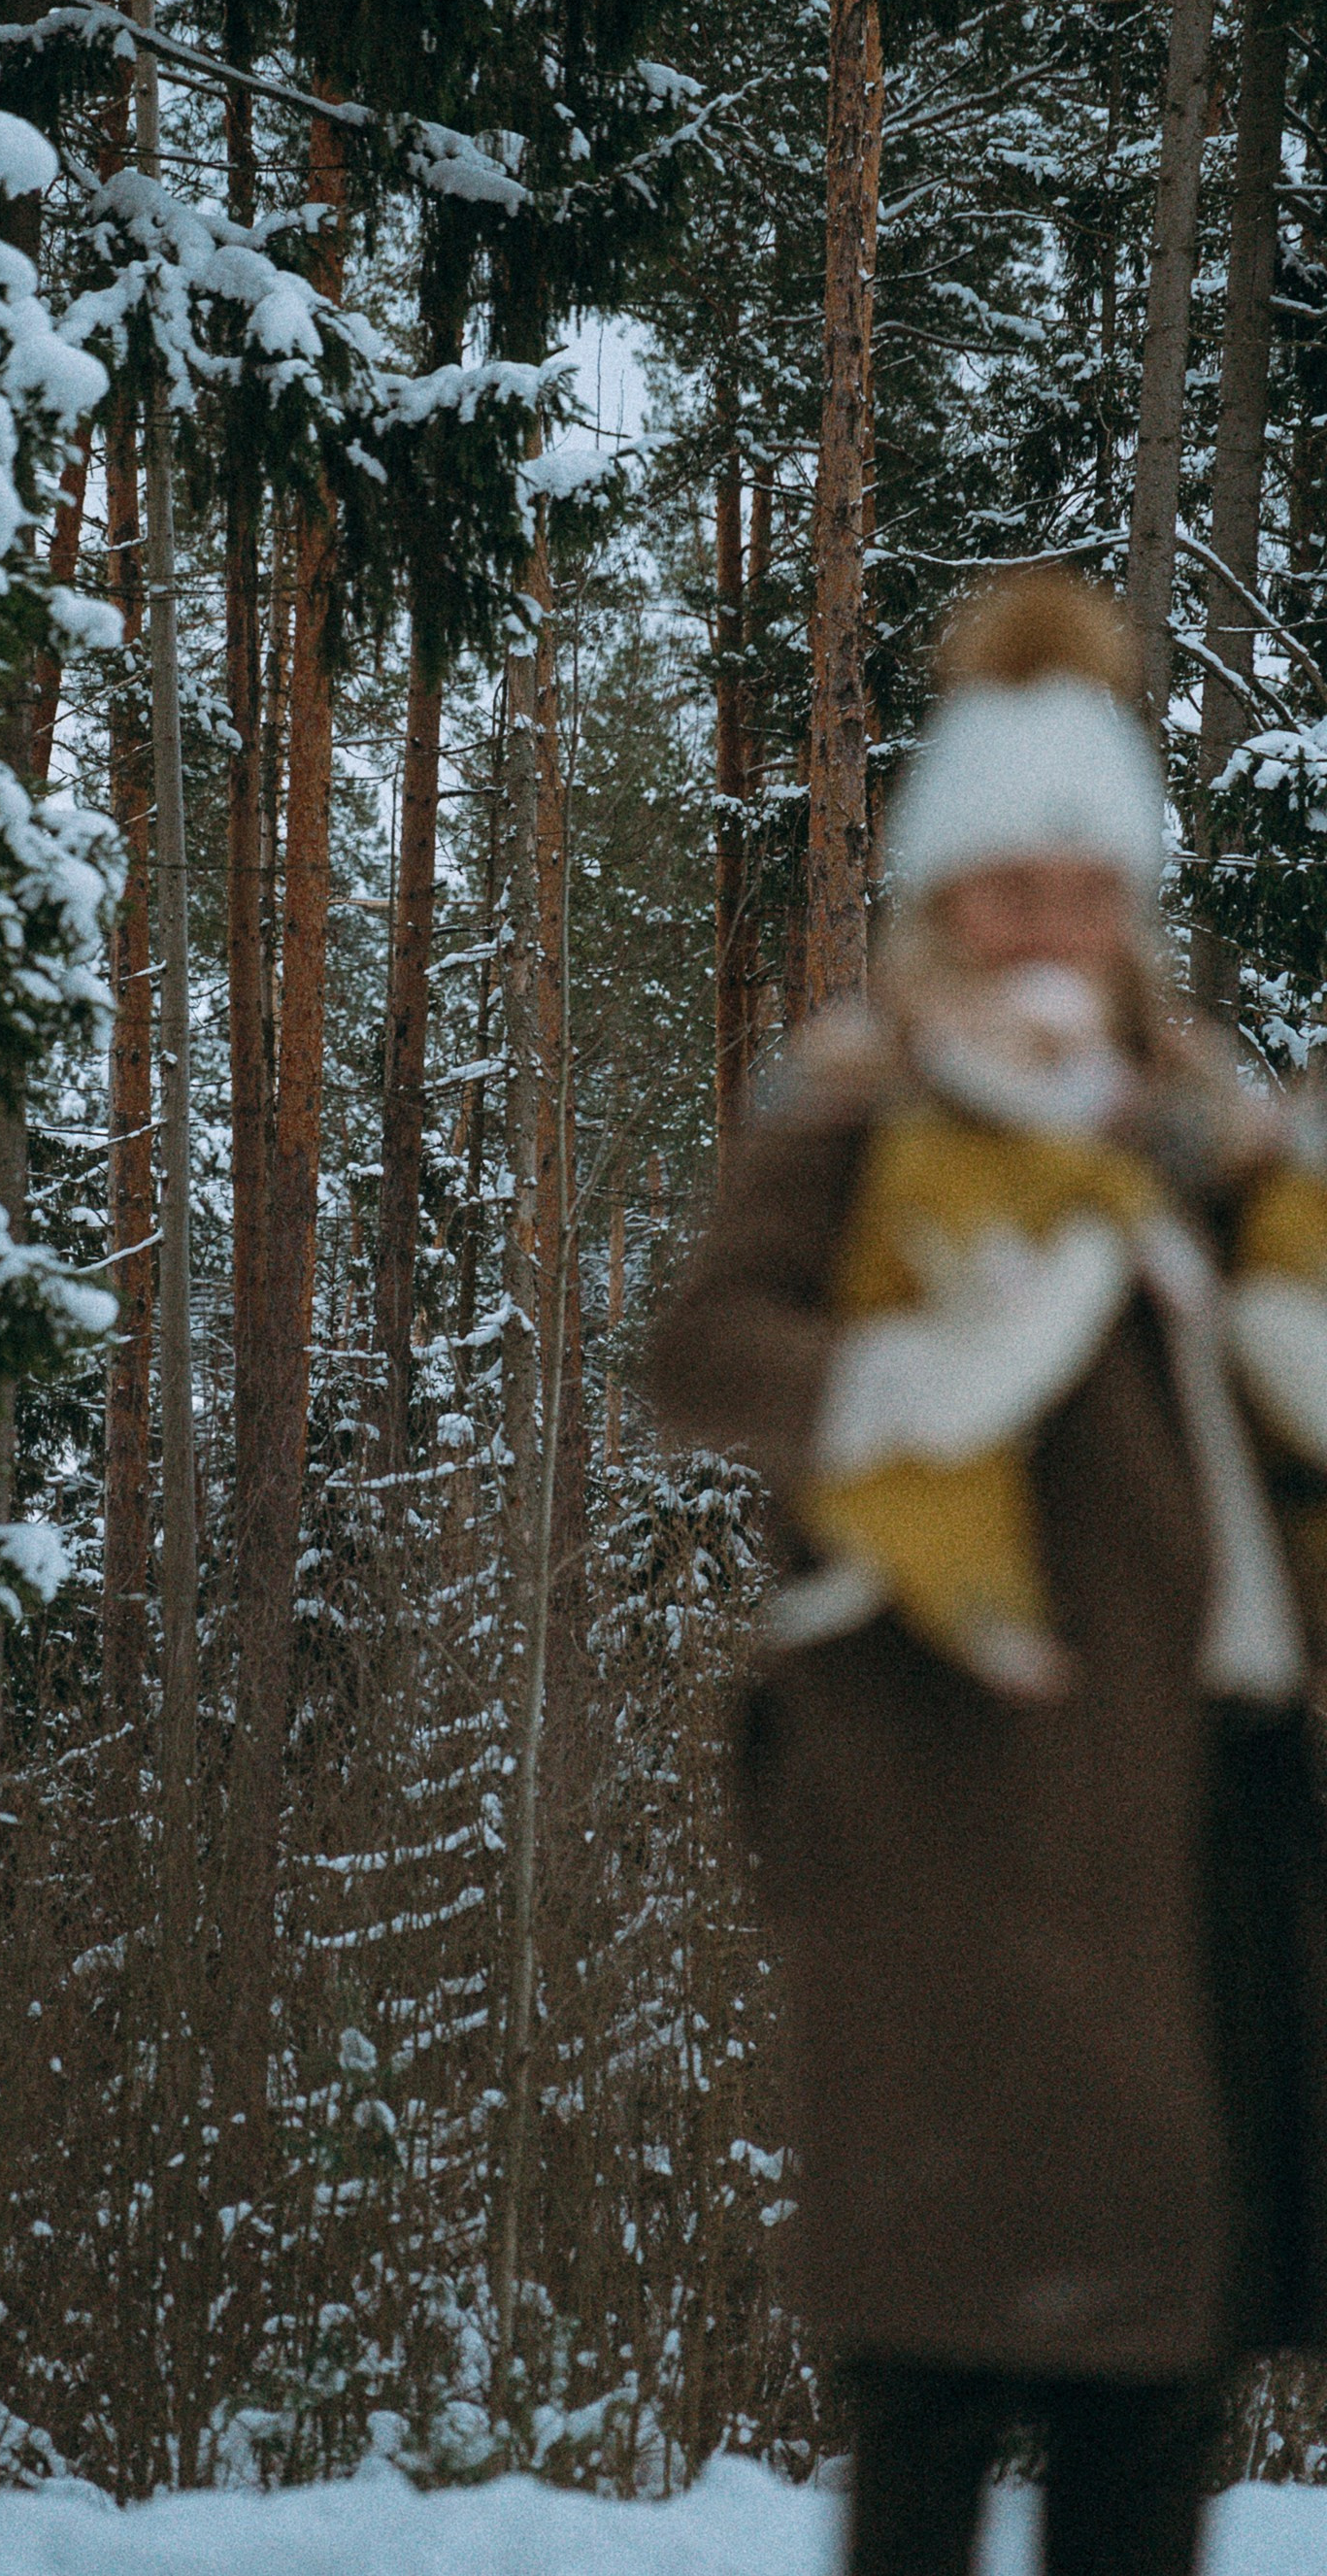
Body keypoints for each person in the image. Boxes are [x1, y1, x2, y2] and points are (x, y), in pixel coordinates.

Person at [646, 567, 1327, 2576]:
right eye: (1008, 892)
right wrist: (901, 1381)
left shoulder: (1200, 1134)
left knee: (1157, 2349)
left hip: (1196, 1797)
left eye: (1087, 893)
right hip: (943, 1777)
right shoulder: (859, 1109)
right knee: (935, 2335)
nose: (1050, 930)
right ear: (938, 906)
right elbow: (699, 1357)